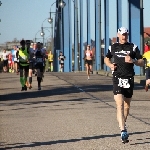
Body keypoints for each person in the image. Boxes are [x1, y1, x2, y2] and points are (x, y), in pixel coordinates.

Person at [104, 27, 144, 143]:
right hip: (117, 77)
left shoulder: (133, 47)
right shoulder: (113, 47)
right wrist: (110, 65)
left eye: (125, 34)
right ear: (118, 34)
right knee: (120, 104)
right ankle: (123, 131)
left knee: (127, 106)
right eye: (122, 34)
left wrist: (134, 61)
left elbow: (142, 62)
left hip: (129, 78)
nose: (124, 36)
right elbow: (106, 59)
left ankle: (123, 124)